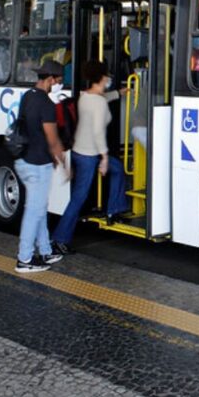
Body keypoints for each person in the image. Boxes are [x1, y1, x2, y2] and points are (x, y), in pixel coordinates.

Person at [51, 61, 128, 254]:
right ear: (102, 77)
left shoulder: (86, 96)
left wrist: (119, 93)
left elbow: (101, 99)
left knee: (118, 171)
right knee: (79, 197)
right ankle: (59, 239)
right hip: (90, 155)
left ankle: (114, 210)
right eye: (107, 75)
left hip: (79, 151)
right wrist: (104, 158)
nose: (109, 78)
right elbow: (98, 132)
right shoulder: (98, 102)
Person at [13, 60, 66, 273]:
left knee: (39, 207)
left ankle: (45, 250)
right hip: (37, 163)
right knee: (34, 210)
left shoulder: (28, 96)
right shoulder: (46, 104)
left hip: (24, 160)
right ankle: (24, 258)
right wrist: (64, 163)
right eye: (59, 81)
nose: (58, 85)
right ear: (51, 79)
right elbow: (52, 139)